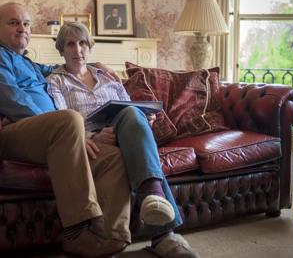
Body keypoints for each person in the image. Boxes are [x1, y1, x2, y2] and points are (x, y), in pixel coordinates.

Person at [0, 2, 131, 258]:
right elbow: (14, 102)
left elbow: (59, 68)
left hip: (54, 135)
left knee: (112, 158)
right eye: (13, 23)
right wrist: (71, 130)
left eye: (26, 23)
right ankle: (77, 232)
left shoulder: (27, 63)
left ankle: (111, 233)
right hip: (15, 135)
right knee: (69, 119)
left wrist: (95, 63)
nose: (22, 28)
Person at [46, 22, 200, 258]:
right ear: (61, 50)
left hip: (125, 133)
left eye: (83, 43)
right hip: (93, 141)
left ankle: (156, 205)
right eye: (70, 44)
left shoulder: (108, 78)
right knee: (130, 120)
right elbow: (63, 119)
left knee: (131, 113)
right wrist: (93, 135)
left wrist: (142, 120)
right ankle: (163, 230)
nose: (78, 50)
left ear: (90, 47)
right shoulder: (56, 81)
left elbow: (129, 107)